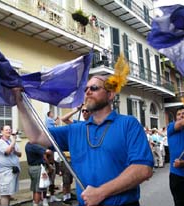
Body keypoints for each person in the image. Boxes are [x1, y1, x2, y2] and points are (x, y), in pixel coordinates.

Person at [14, 75, 154, 206]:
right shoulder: (75, 129)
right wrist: (19, 102)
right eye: (85, 89)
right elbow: (36, 137)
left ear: (110, 94)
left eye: (94, 88)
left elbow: (143, 169)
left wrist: (101, 192)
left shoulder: (128, 124)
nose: (87, 92)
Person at [0, 125, 22, 206]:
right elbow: (7, 152)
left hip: (13, 171)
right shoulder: (0, 143)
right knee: (4, 194)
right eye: (6, 130)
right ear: (2, 132)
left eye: (10, 129)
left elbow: (20, 154)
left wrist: (15, 151)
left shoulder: (11, 141)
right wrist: (13, 141)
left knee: (8, 194)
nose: (9, 131)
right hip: (5, 172)